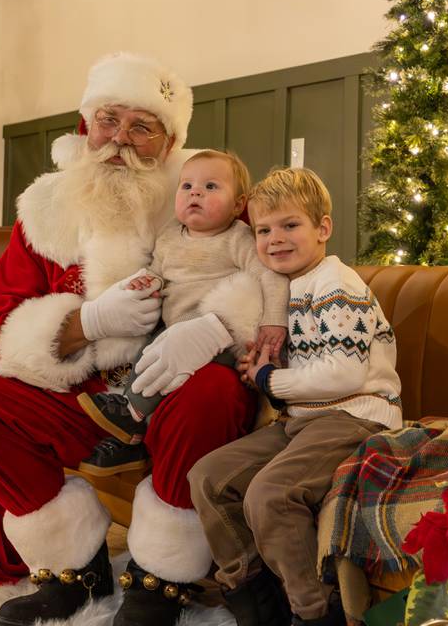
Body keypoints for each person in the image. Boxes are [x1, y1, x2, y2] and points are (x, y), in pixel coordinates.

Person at [0, 53, 257, 626]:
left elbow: (265, 274)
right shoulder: (46, 210)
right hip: (86, 401)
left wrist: (214, 326)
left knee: (216, 392)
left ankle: (163, 579)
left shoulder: (200, 192)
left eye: (142, 126)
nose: (119, 139)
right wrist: (87, 323)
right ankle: (73, 566)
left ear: (170, 142)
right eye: (108, 119)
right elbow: (0, 324)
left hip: (177, 391)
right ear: (85, 124)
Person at [188, 168, 404, 626]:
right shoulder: (284, 287)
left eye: (290, 225)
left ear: (322, 229)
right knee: (208, 478)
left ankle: (316, 612)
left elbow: (343, 374)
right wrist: (261, 370)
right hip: (302, 421)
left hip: (355, 416)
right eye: (264, 230)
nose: (275, 239)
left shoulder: (336, 285)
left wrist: (270, 380)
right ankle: (255, 598)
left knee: (270, 493)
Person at [76, 149, 288, 475]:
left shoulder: (237, 238)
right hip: (172, 328)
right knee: (148, 359)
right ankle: (132, 435)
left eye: (211, 187)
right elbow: (160, 272)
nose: (196, 193)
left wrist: (274, 320)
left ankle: (129, 416)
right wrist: (148, 281)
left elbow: (269, 276)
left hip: (216, 335)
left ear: (238, 204)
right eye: (186, 186)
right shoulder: (169, 236)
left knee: (170, 370)